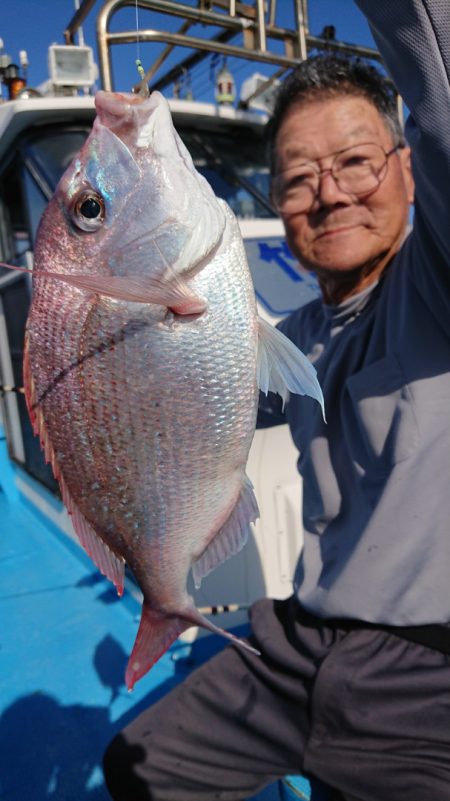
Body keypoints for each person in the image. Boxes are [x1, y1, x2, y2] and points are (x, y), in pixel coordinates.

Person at [103, 1, 450, 799]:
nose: (328, 195)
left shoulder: (435, 278)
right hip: (298, 638)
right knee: (140, 766)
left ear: (407, 166)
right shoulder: (290, 334)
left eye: (356, 161)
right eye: (297, 179)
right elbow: (175, 398)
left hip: (430, 669)